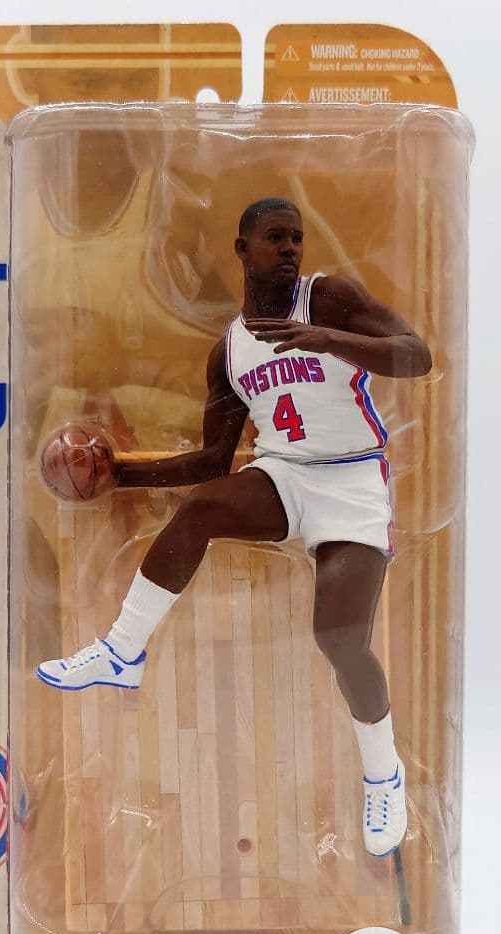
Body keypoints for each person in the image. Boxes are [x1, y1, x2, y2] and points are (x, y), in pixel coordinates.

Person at [37, 197, 431, 858]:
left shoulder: (327, 298)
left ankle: (383, 774)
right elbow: (210, 461)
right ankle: (121, 653)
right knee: (203, 507)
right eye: (276, 237)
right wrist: (118, 475)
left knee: (339, 638)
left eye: (297, 237)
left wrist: (329, 340)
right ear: (243, 249)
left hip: (353, 478)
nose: (291, 247)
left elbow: (416, 356)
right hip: (284, 475)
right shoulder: (229, 352)